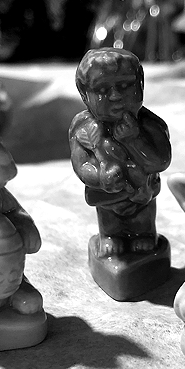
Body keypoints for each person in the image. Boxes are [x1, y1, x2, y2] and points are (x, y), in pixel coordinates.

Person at [69, 48, 171, 258]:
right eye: (102, 89)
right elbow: (81, 166)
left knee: (143, 217)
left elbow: (160, 161)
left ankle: (144, 234)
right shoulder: (82, 127)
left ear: (140, 84)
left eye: (125, 86)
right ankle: (110, 236)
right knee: (109, 218)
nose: (115, 96)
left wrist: (134, 140)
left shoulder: (150, 125)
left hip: (142, 192)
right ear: (84, 94)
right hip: (107, 197)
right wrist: (100, 177)